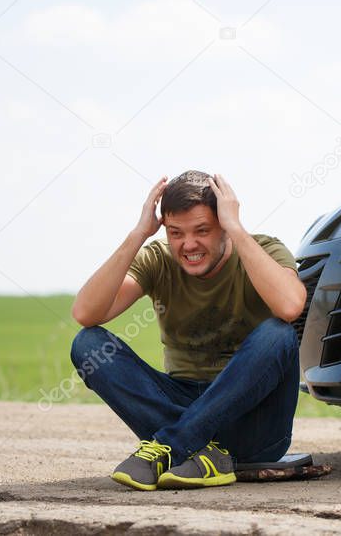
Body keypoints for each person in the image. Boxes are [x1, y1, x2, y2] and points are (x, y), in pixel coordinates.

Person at [69, 170, 306, 491]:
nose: (188, 244)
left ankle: (176, 443)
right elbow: (86, 313)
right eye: (176, 232)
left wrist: (236, 229)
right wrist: (139, 233)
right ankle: (202, 451)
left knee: (279, 333)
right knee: (89, 344)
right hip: (182, 404)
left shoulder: (263, 249)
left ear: (223, 223)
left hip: (254, 425)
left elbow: (290, 306)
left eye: (202, 230)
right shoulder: (158, 259)